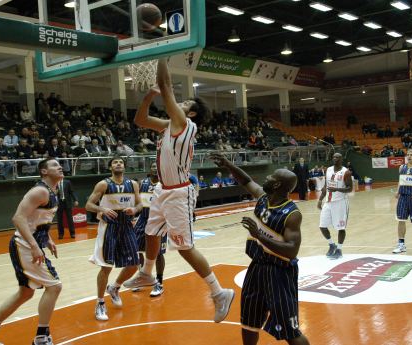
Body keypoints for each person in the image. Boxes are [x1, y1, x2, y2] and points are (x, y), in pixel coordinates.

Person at [125, 58, 234, 323]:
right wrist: (150, 94)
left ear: (191, 113)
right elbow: (140, 119)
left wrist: (163, 53)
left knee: (183, 248)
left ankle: (219, 292)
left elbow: (166, 84)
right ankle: (148, 273)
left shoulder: (184, 123)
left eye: (185, 104)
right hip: (163, 190)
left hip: (179, 192)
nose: (180, 104)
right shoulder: (168, 126)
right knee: (151, 233)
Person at [209, 152, 310, 345]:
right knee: (249, 322)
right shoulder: (263, 198)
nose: (267, 178)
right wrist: (228, 165)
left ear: (277, 185)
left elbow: (291, 250)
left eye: (271, 177)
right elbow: (246, 180)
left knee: (291, 331)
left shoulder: (292, 214)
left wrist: (259, 235)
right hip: (256, 268)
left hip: (279, 273)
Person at [0, 158, 64, 345]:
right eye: (55, 165)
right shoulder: (39, 191)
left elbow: (38, 219)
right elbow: (18, 218)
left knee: (25, 293)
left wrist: (47, 239)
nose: (60, 167)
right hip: (24, 244)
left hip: (30, 243)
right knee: (54, 286)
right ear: (44, 172)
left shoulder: (54, 190)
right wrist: (34, 246)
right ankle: (41, 337)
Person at [86, 156, 143, 321]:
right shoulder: (103, 184)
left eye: (121, 162)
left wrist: (134, 209)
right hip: (109, 228)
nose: (118, 164)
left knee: (134, 264)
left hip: (126, 227)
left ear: (124, 167)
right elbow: (89, 204)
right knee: (106, 266)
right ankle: (100, 303)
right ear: (110, 167)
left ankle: (115, 287)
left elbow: (140, 204)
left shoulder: (132, 184)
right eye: (115, 162)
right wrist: (102, 209)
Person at [130, 162, 168, 297]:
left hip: (159, 221)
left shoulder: (165, 184)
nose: (155, 169)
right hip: (143, 220)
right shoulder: (143, 183)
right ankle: (142, 277)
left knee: (158, 253)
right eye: (152, 166)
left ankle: (159, 282)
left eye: (157, 167)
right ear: (149, 169)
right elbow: (137, 202)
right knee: (137, 250)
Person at [317, 153, 353, 260]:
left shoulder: (346, 172)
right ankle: (331, 245)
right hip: (328, 202)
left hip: (340, 202)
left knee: (340, 227)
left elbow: (350, 189)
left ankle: (339, 249)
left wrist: (337, 189)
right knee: (322, 226)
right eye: (334, 157)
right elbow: (325, 186)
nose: (335, 159)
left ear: (342, 159)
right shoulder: (328, 170)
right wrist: (320, 199)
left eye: (337, 157)